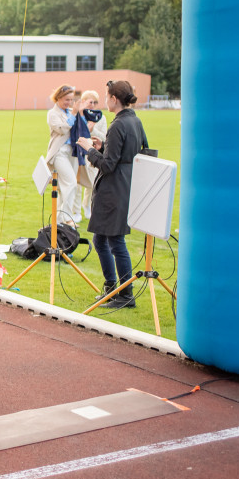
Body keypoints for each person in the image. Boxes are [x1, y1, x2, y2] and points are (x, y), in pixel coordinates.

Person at [76, 80, 148, 309]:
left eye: (107, 97)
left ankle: (124, 293)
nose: (105, 101)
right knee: (102, 238)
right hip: (126, 184)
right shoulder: (134, 121)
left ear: (114, 99)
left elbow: (107, 166)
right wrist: (103, 146)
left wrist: (89, 149)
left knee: (115, 241)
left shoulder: (118, 124)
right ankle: (113, 288)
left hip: (114, 188)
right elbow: (139, 151)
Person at [71, 90, 108, 222]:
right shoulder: (78, 114)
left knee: (92, 183)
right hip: (78, 151)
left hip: (93, 152)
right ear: (83, 101)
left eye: (95, 102)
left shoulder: (100, 117)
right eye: (90, 101)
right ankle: (75, 211)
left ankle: (87, 205)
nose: (92, 105)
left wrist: (93, 130)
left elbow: (104, 136)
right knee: (77, 183)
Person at [45, 85, 79, 227]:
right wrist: (73, 115)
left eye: (71, 100)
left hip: (72, 152)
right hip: (59, 152)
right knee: (71, 182)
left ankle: (59, 220)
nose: (69, 103)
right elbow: (61, 129)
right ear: (58, 98)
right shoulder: (52, 114)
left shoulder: (71, 111)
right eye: (66, 99)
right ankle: (67, 217)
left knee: (62, 187)